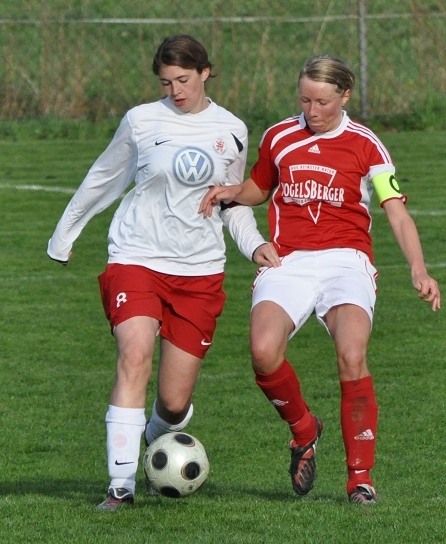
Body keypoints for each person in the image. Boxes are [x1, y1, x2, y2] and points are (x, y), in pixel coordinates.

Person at [47, 34, 279, 511]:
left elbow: (231, 200)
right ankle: (120, 486)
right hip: (137, 257)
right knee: (134, 356)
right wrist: (64, 234)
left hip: (199, 272)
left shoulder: (232, 129)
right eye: (166, 82)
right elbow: (103, 178)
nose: (175, 91)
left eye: (184, 80)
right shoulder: (141, 121)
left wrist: (254, 244)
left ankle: (154, 437)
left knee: (174, 402)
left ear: (205, 73)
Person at [199, 54, 441, 504]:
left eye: (323, 102)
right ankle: (304, 430)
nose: (312, 111)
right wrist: (234, 192)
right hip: (289, 261)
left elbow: (395, 211)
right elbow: (259, 188)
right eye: (305, 100)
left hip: (346, 262)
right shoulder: (279, 136)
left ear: (345, 96)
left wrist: (418, 268)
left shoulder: (367, 145)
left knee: (352, 355)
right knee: (263, 351)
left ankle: (360, 479)